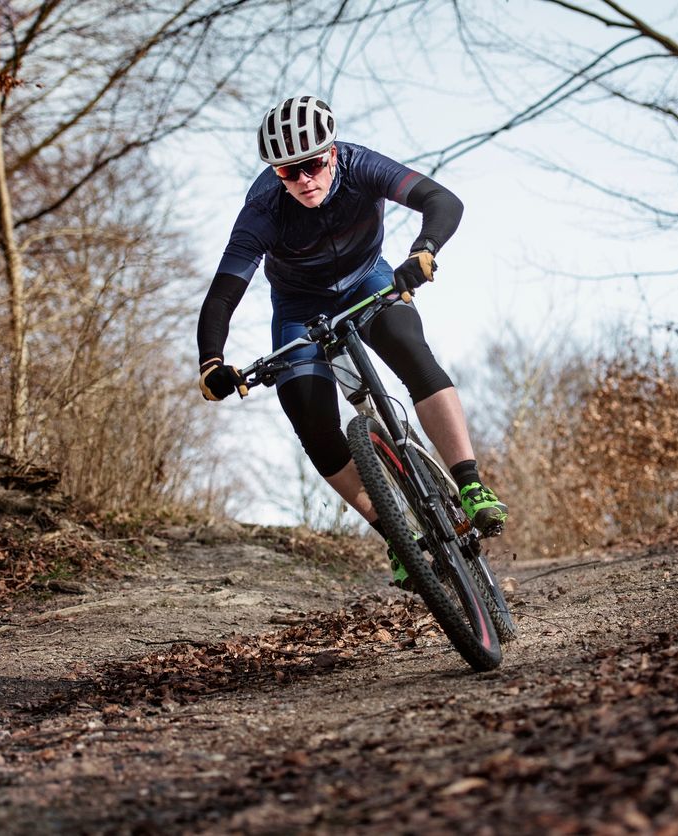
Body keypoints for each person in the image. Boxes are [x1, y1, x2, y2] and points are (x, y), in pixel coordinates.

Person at [195, 95, 508, 589]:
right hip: (299, 308)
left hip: (368, 280)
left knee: (408, 346)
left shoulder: (362, 166)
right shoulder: (263, 209)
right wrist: (211, 361)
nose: (303, 179)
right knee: (307, 412)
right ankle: (398, 535)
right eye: (288, 172)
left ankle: (471, 485)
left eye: (313, 165)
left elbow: (443, 200)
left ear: (333, 154)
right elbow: (223, 294)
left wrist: (423, 250)